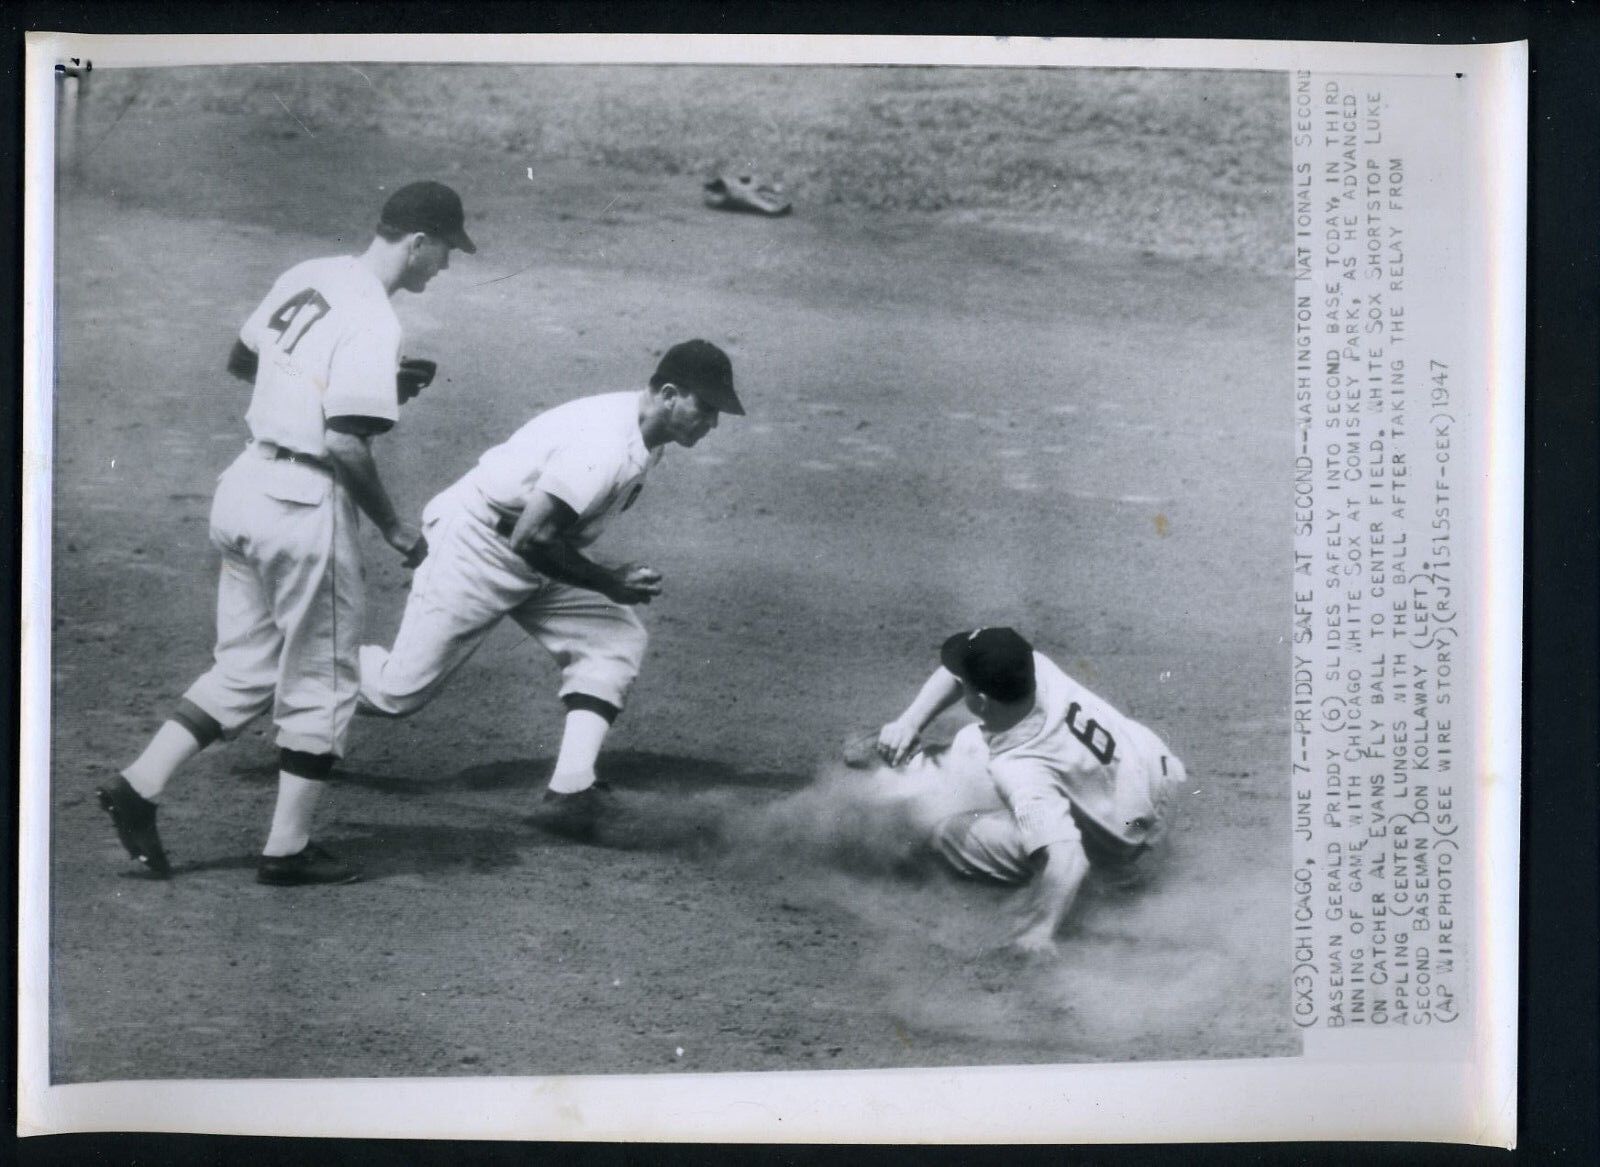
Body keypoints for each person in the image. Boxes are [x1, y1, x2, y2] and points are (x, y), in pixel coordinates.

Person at [98, 180, 476, 886]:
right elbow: (346, 445)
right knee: (325, 679)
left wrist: (361, 388)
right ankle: (287, 848)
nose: (446, 266)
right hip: (305, 505)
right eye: (445, 250)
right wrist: (394, 527)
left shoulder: (312, 274)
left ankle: (138, 785)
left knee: (246, 664)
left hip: (243, 487)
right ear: (417, 241)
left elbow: (246, 360)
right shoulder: (375, 319)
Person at [357, 339, 744, 838]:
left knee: (614, 639)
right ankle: (300, 674)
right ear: (669, 394)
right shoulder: (603, 444)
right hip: (477, 546)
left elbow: (542, 538)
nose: (712, 424)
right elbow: (531, 537)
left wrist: (601, 582)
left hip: (535, 553)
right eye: (707, 408)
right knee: (395, 693)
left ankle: (570, 792)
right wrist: (608, 580)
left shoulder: (647, 438)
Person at [870, 626, 1186, 955]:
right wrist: (909, 722)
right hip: (1157, 776)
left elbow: (1068, 858)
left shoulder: (1020, 771)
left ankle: (1109, 881)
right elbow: (956, 672)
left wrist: (1038, 932)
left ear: (979, 700)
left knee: (943, 834)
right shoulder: (1034, 668)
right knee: (969, 742)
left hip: (1123, 845)